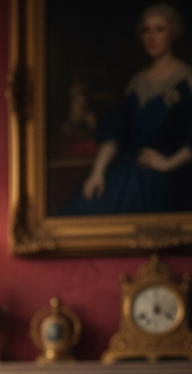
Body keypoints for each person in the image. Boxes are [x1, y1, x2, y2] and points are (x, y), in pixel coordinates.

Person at [66, 3, 192, 215]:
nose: (151, 37)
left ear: (173, 33)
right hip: (124, 172)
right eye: (146, 30)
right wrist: (98, 173)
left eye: (159, 29)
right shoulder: (136, 82)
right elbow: (116, 129)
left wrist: (169, 163)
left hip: (162, 178)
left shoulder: (186, 77)